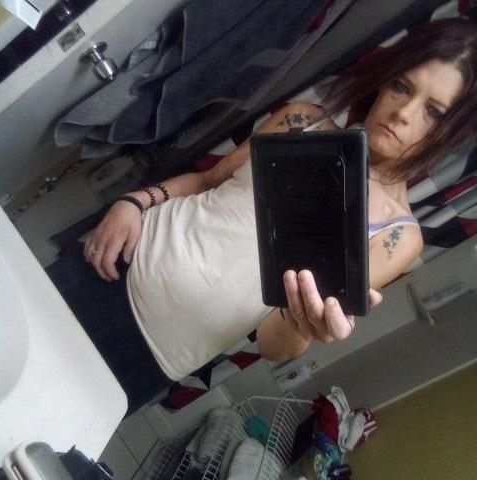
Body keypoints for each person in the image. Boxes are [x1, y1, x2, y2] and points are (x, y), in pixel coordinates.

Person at [47, 17, 477, 414]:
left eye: (433, 111)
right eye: (402, 86)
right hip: (111, 267)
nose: (404, 112)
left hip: (154, 357)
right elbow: (208, 180)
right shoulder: (302, 122)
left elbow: (273, 345)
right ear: (385, 82)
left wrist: (305, 326)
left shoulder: (398, 236)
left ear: (449, 133)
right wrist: (133, 202)